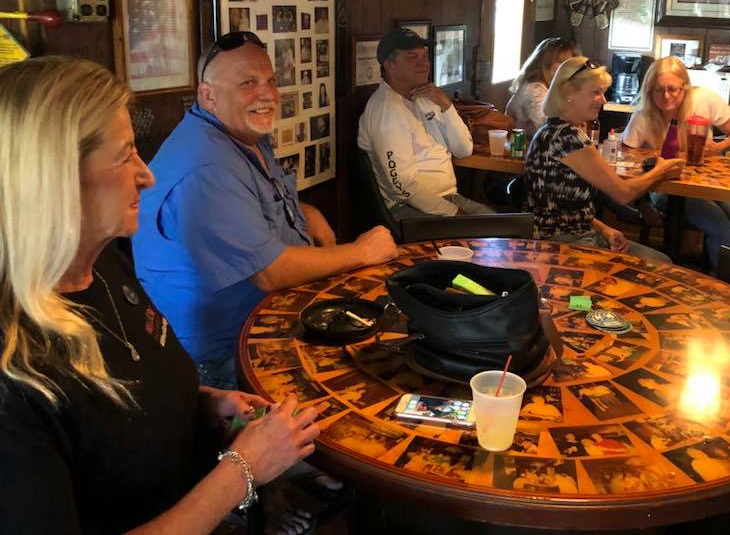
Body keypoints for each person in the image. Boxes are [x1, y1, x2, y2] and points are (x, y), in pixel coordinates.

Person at [0, 57, 323, 534]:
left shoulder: (102, 262)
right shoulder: (13, 375)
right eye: (124, 155)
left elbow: (122, 403)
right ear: (53, 178)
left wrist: (204, 405)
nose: (146, 174)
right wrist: (242, 471)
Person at [133, 32, 397, 389]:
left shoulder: (236, 133)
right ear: (208, 95)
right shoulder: (206, 166)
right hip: (223, 362)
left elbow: (251, 203)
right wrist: (362, 252)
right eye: (248, 83)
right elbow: (270, 273)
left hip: (271, 319)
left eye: (270, 80)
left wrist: (305, 210)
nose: (268, 94)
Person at [525, 56, 681, 258]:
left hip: (563, 236)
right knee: (661, 264)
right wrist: (661, 170)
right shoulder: (568, 138)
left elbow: (564, 207)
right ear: (569, 92)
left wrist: (603, 228)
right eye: (596, 92)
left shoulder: (552, 129)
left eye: (603, 92)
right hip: (563, 246)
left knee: (660, 260)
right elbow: (623, 193)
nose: (604, 100)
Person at [623, 56, 730, 268]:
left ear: (685, 87)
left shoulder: (704, 98)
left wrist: (718, 147)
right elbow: (626, 161)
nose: (666, 96)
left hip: (709, 181)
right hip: (666, 188)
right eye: (658, 89)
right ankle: (728, 290)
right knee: (722, 229)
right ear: (648, 90)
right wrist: (641, 203)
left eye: (673, 89)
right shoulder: (643, 116)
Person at [358, 28, 493, 218]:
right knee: (496, 234)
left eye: (425, 56)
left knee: (506, 226)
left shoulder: (425, 97)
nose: (423, 63)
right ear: (389, 65)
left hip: (448, 198)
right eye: (412, 57)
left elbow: (463, 149)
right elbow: (403, 186)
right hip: (410, 209)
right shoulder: (387, 109)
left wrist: (446, 105)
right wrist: (455, 214)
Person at [506, 36, 579, 137]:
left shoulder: (552, 89)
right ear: (545, 64)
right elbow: (551, 130)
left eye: (571, 65)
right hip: (520, 150)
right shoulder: (534, 90)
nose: (568, 70)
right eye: (562, 63)